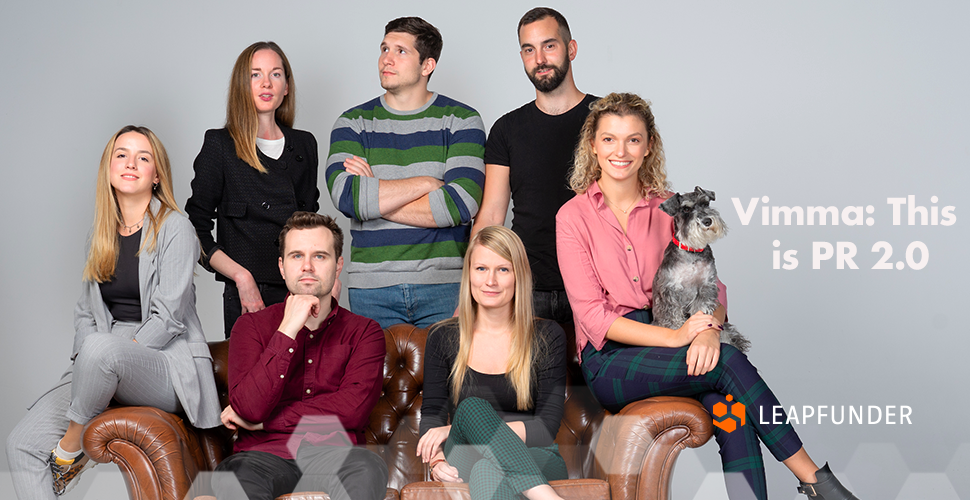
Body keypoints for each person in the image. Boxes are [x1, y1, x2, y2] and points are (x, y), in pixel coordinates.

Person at [556, 93, 860, 500]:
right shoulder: (573, 217)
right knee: (729, 364)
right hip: (611, 359)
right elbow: (594, 318)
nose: (620, 151)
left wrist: (708, 330)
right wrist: (679, 337)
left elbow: (713, 287)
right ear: (593, 144)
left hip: (679, 339)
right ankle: (817, 482)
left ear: (648, 147)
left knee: (730, 409)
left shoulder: (672, 208)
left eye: (633, 139)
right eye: (609, 139)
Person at [6, 126, 222, 500]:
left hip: (164, 362)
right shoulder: (101, 234)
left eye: (143, 157)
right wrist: (90, 367)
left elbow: (169, 317)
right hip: (104, 359)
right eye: (121, 154)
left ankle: (70, 449)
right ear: (108, 167)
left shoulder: (177, 229)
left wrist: (115, 355)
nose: (131, 163)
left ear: (157, 175)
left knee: (100, 350)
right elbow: (85, 313)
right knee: (20, 444)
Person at [212, 212, 388, 500]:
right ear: (282, 267)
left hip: (339, 459)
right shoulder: (250, 327)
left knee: (368, 468)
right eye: (296, 256)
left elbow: (351, 410)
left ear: (338, 265)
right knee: (235, 478)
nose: (307, 266)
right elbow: (248, 408)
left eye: (320, 256)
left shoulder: (365, 332)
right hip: (261, 459)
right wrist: (287, 330)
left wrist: (268, 422)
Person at [326, 16, 486, 328]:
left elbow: (459, 205)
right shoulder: (353, 123)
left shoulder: (461, 120)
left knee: (449, 378)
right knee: (369, 378)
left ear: (427, 65)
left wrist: (374, 194)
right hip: (371, 288)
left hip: (445, 286)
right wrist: (426, 183)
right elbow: (347, 197)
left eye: (401, 51)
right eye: (384, 48)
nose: (386, 58)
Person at [417, 226, 569, 500]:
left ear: (518, 276)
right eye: (481, 269)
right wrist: (437, 461)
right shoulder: (443, 336)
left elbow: (545, 428)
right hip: (465, 454)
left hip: (535, 455)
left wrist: (460, 426)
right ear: (469, 275)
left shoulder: (547, 336)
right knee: (472, 408)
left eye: (503, 270)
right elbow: (431, 415)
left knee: (486, 467)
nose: (491, 281)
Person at [472, 7, 598, 324]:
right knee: (524, 375)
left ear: (571, 49)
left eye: (549, 46)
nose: (539, 58)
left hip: (597, 284)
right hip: (527, 288)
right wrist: (471, 289)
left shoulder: (605, 119)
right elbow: (490, 215)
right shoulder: (506, 129)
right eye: (529, 49)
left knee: (602, 374)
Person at [186, 41, 320, 338]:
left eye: (276, 74)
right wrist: (240, 277)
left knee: (306, 382)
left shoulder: (305, 144)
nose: (266, 83)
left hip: (301, 288)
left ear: (286, 86)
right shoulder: (220, 145)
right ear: (241, 86)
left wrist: (328, 280)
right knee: (253, 381)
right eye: (255, 74)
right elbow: (195, 230)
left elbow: (313, 227)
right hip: (248, 293)